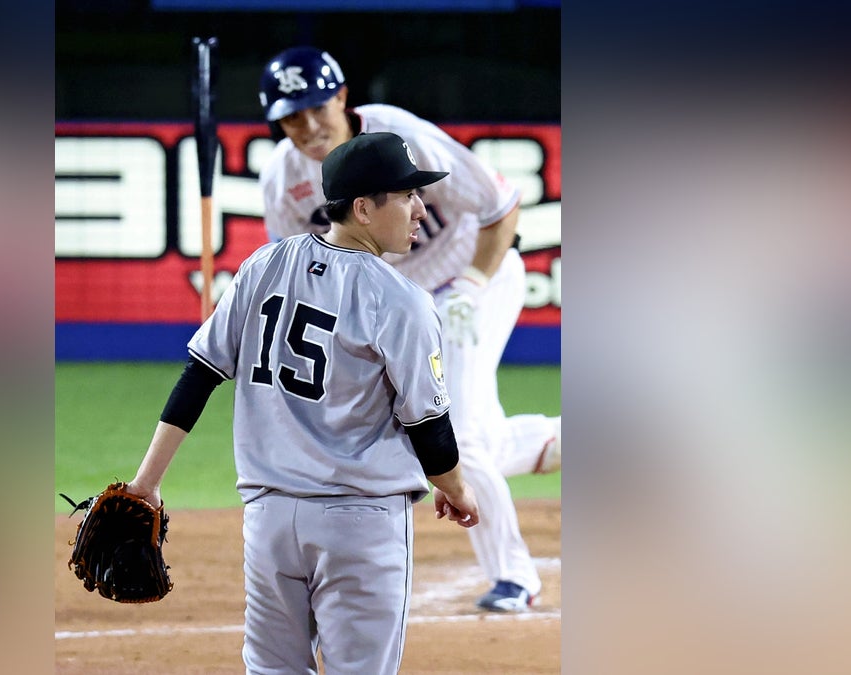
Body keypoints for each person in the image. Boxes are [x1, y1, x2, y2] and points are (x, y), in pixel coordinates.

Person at [123, 131, 481, 674]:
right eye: (407, 195)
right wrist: (457, 490)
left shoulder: (264, 264)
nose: (420, 210)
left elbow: (199, 376)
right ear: (363, 209)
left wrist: (146, 482)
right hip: (358, 524)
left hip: (268, 521)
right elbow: (429, 426)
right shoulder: (402, 301)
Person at [257, 46, 561, 612]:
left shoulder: (403, 137)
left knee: (455, 435)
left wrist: (471, 285)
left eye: (317, 108)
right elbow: (304, 266)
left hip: (476, 281)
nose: (308, 126)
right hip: (404, 306)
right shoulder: (283, 178)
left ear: (342, 97)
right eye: (292, 117)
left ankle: (515, 578)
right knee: (478, 443)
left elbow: (501, 206)